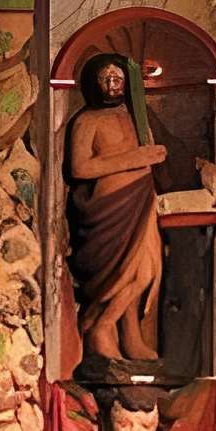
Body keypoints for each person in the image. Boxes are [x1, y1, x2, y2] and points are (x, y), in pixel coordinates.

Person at [64, 50, 168, 365]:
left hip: (140, 201)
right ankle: (100, 326)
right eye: (107, 79)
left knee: (146, 271)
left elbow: (152, 148)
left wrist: (156, 154)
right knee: (123, 273)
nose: (113, 85)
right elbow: (80, 168)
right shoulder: (86, 120)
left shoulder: (134, 114)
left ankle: (130, 335)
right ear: (93, 83)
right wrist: (132, 160)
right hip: (107, 210)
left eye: (118, 79)